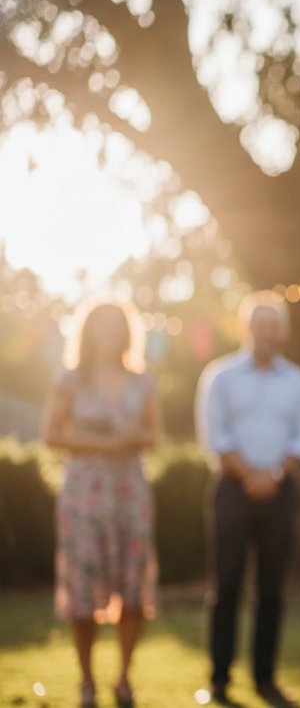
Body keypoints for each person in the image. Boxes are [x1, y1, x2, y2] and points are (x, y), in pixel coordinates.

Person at [196, 291, 300, 705]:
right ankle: (220, 678)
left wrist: (275, 475)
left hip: (281, 491)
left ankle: (265, 678)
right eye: (259, 324)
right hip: (231, 489)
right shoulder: (220, 376)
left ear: (281, 331)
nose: (266, 332)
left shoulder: (299, 381)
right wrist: (250, 475)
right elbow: (216, 435)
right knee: (225, 584)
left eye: (273, 325)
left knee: (272, 587)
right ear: (246, 328)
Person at [42, 300, 159, 708]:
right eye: (101, 325)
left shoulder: (142, 380)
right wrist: (106, 442)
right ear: (88, 331)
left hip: (129, 491)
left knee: (132, 587)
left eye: (116, 325)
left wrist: (130, 436)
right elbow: (51, 436)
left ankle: (124, 678)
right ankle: (87, 681)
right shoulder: (70, 380)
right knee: (82, 588)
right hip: (84, 493)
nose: (109, 333)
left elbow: (153, 436)